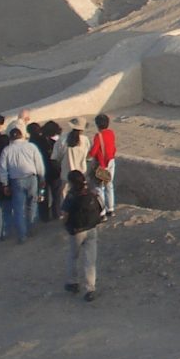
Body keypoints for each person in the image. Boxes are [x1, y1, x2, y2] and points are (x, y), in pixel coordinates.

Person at [62, 170, 104, 301]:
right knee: (90, 261)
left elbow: (65, 214)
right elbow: (102, 206)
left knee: (73, 256)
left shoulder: (71, 195)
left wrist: (65, 225)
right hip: (92, 228)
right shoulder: (92, 192)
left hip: (77, 231)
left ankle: (72, 282)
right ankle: (90, 289)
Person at [0, 127, 44, 244]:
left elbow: (2, 169)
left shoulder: (7, 150)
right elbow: (39, 163)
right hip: (32, 178)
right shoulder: (31, 146)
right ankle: (32, 228)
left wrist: (5, 184)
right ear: (21, 136)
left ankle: (22, 235)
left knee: (18, 209)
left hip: (16, 180)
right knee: (32, 204)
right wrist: (41, 176)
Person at [87, 113, 117, 217]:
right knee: (109, 185)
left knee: (99, 188)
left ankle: (102, 211)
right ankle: (111, 208)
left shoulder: (98, 136)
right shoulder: (111, 133)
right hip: (111, 162)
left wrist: (86, 157)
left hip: (102, 164)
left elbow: (94, 151)